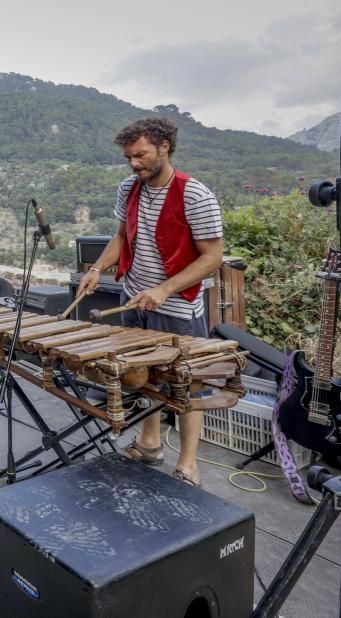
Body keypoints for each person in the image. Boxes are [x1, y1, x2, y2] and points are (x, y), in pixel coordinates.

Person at [75, 117, 223, 488]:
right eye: (128, 157)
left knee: (186, 386)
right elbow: (122, 236)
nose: (134, 164)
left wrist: (164, 290)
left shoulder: (195, 195)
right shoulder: (129, 188)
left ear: (165, 146)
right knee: (141, 377)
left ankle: (188, 464)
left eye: (140, 155)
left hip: (178, 310)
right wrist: (97, 269)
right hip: (134, 298)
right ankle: (150, 443)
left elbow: (212, 258)